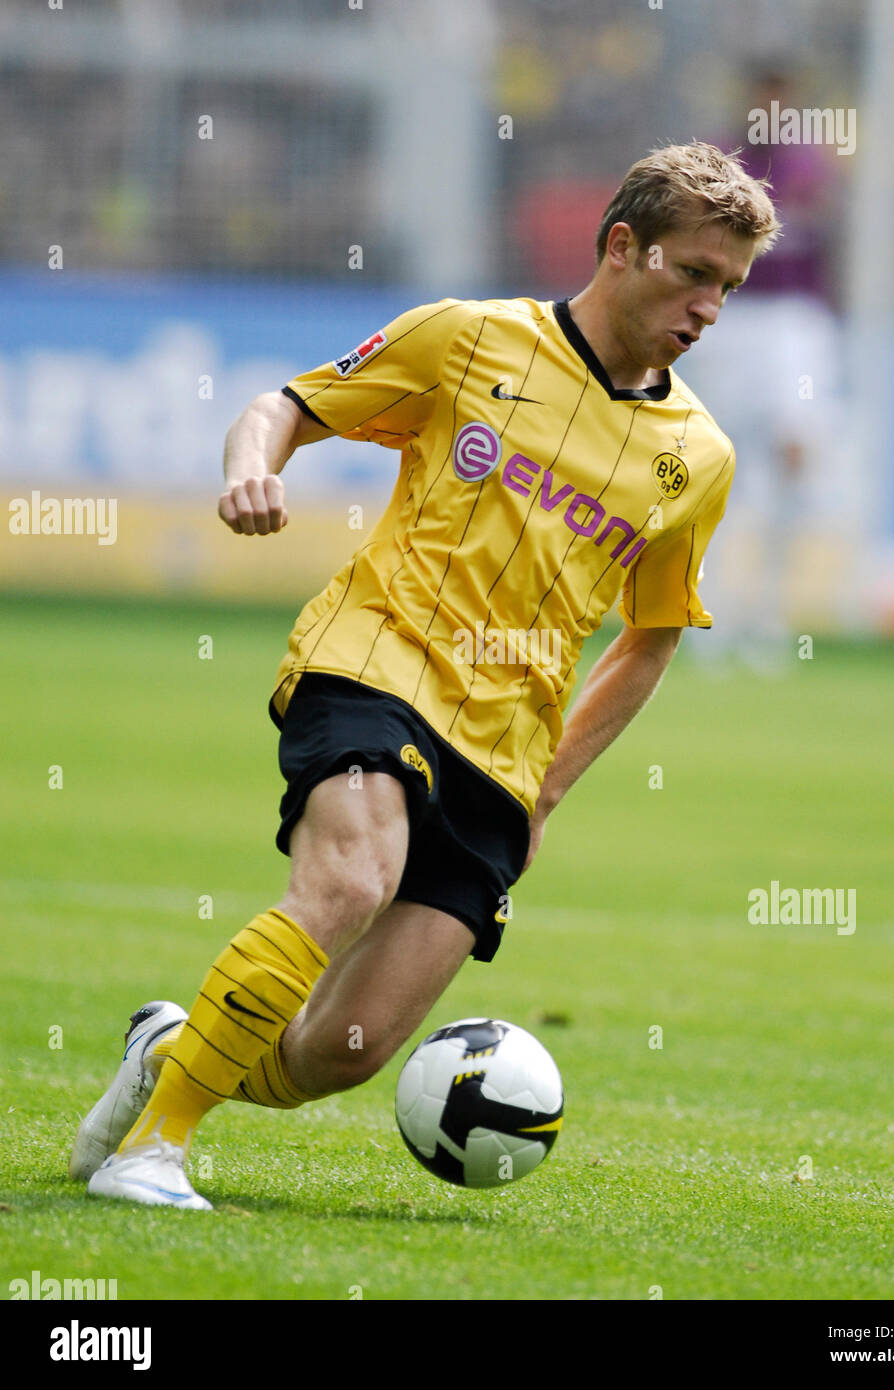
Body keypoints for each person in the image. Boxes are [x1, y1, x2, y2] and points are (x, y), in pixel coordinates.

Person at [72, 142, 780, 1208]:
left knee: (341, 1050)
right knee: (348, 882)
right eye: (693, 273)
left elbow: (650, 636)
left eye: (728, 286)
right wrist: (251, 468)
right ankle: (153, 1148)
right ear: (621, 247)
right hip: (376, 655)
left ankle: (172, 1053)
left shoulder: (699, 457)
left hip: (505, 746)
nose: (710, 308)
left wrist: (546, 787)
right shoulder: (468, 339)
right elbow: (287, 405)